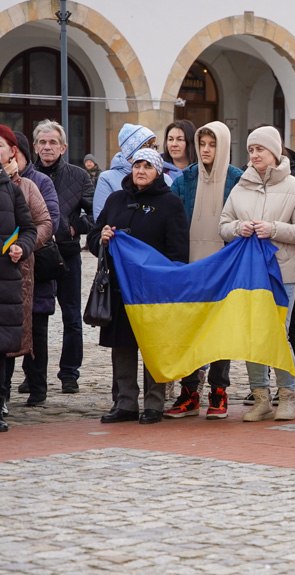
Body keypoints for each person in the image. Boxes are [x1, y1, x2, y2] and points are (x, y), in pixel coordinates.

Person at [88, 149, 189, 424]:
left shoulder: (171, 203)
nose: (141, 170)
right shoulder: (116, 199)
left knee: (153, 346)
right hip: (120, 287)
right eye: (137, 165)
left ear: (158, 171)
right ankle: (126, 403)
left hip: (153, 289)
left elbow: (178, 252)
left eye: (147, 166)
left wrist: (170, 282)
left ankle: (154, 403)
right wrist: (104, 237)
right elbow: (93, 236)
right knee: (122, 345)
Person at [220, 126, 295, 422]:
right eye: (250, 150)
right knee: (251, 334)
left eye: (260, 149)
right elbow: (223, 224)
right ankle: (260, 397)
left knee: (278, 334)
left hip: (282, 272)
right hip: (248, 274)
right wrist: (238, 229)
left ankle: (287, 396)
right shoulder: (240, 187)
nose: (254, 155)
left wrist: (273, 229)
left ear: (275, 151)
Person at [163, 121, 243, 420]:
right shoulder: (185, 179)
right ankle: (189, 392)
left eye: (212, 145)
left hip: (223, 265)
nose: (206, 150)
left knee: (220, 329)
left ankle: (219, 391)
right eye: (202, 145)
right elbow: (171, 219)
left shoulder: (237, 179)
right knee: (191, 329)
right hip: (190, 263)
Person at [33, 119, 94, 395]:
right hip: (35, 257)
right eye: (42, 142)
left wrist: (73, 227)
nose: (47, 147)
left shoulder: (80, 176)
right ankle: (33, 376)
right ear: (35, 146)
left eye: (52, 142)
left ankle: (69, 373)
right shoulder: (27, 174)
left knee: (71, 317)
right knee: (35, 319)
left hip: (67, 255)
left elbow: (95, 214)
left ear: (63, 147)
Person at [1, 126, 57, 409]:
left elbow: (44, 223)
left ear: (14, 151)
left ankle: (34, 388)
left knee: (24, 330)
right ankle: (4, 395)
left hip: (20, 271)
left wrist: (25, 246)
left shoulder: (28, 186)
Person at [0, 149, 38, 431]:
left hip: (5, 280)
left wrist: (21, 248)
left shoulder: (10, 189)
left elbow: (29, 229)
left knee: (0, 349)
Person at [94, 123, 173, 219]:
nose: (154, 151)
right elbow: (101, 218)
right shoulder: (107, 178)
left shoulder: (165, 179)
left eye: (155, 146)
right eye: (149, 146)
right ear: (133, 149)